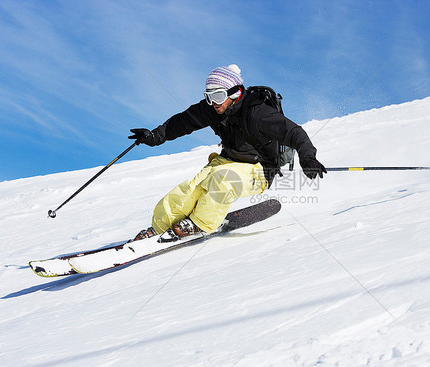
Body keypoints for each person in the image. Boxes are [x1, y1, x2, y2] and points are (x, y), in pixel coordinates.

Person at [129, 64, 326, 240]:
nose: (213, 102)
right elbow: (182, 122)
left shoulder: (258, 113)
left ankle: (200, 223)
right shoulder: (213, 109)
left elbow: (293, 132)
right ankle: (158, 228)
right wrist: (155, 136)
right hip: (227, 160)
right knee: (189, 189)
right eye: (209, 96)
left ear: (235, 93)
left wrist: (308, 158)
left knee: (223, 180)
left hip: (259, 169)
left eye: (218, 96)